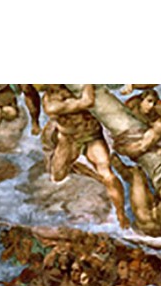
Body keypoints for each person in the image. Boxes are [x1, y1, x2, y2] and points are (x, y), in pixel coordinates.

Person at [41, 85, 128, 226]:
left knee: (107, 175)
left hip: (91, 136)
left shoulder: (77, 87)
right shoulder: (50, 102)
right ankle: (83, 168)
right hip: (69, 139)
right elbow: (87, 101)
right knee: (57, 176)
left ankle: (120, 213)